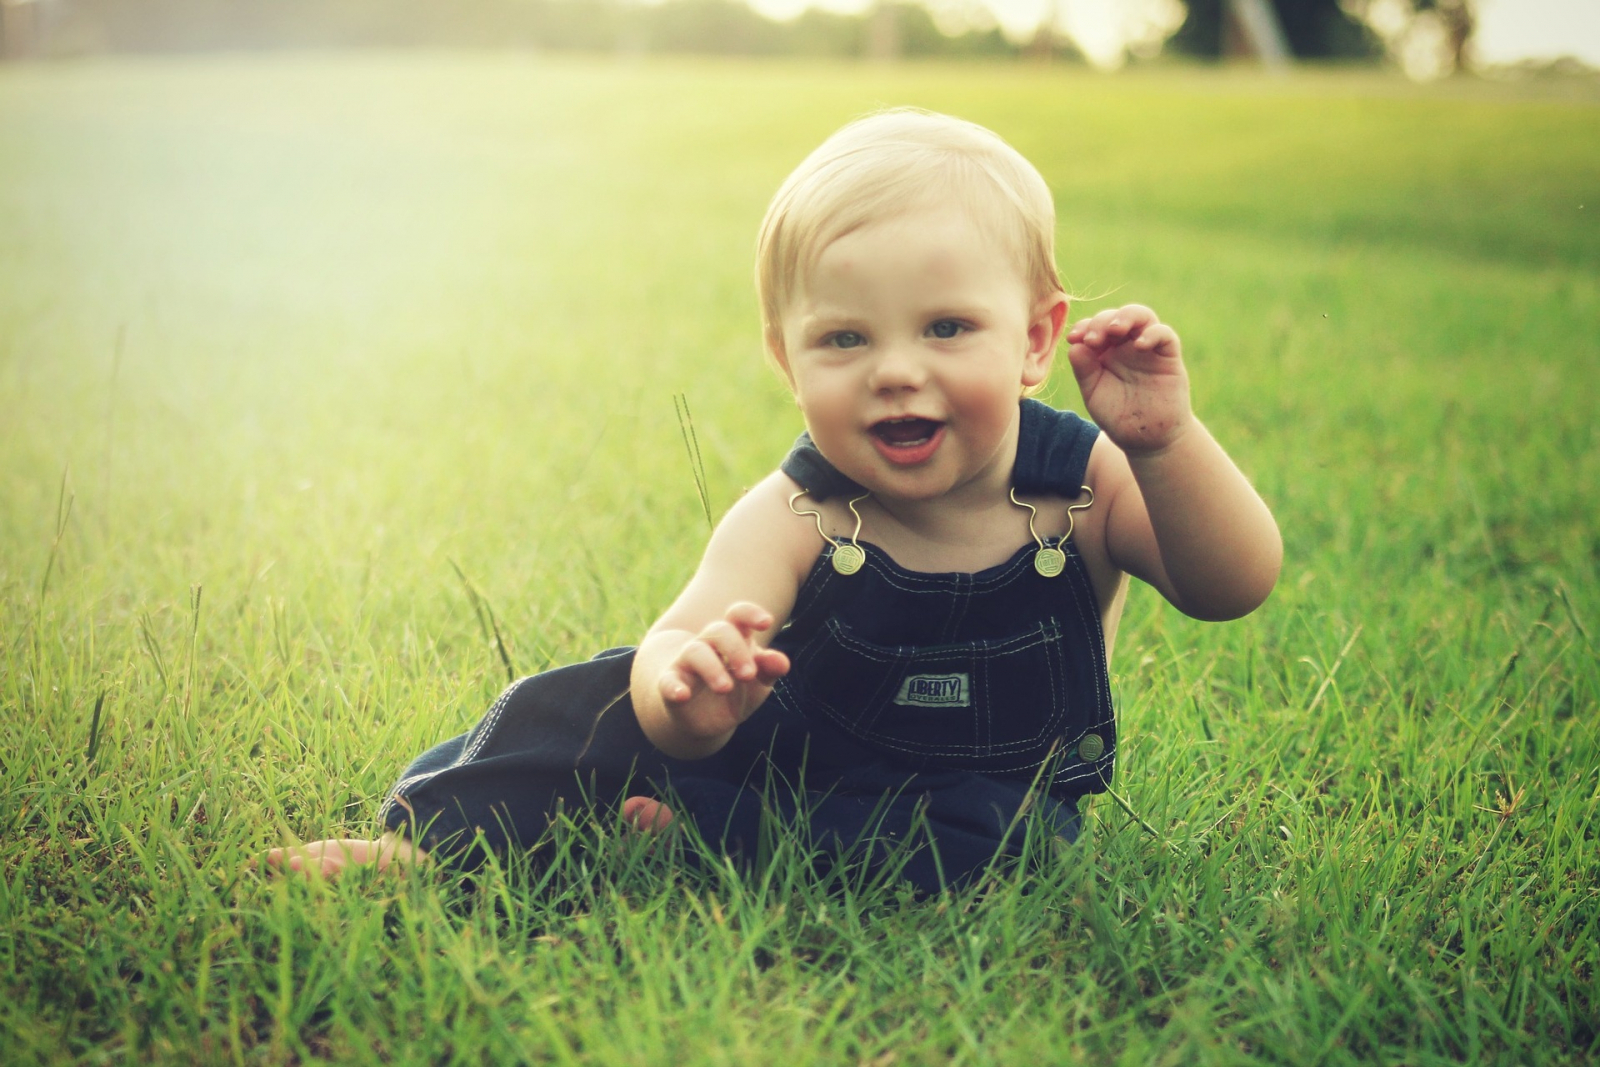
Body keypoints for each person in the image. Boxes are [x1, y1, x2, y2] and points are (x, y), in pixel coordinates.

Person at [265, 108, 1281, 889]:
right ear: (785, 361)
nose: (894, 369)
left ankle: (696, 838)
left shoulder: (1088, 483)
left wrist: (1167, 443)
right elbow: (682, 634)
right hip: (783, 754)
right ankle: (433, 842)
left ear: (1032, 339)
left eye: (945, 328)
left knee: (1002, 843)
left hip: (976, 800)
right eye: (845, 338)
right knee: (587, 700)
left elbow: (1228, 584)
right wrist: (688, 695)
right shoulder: (796, 512)